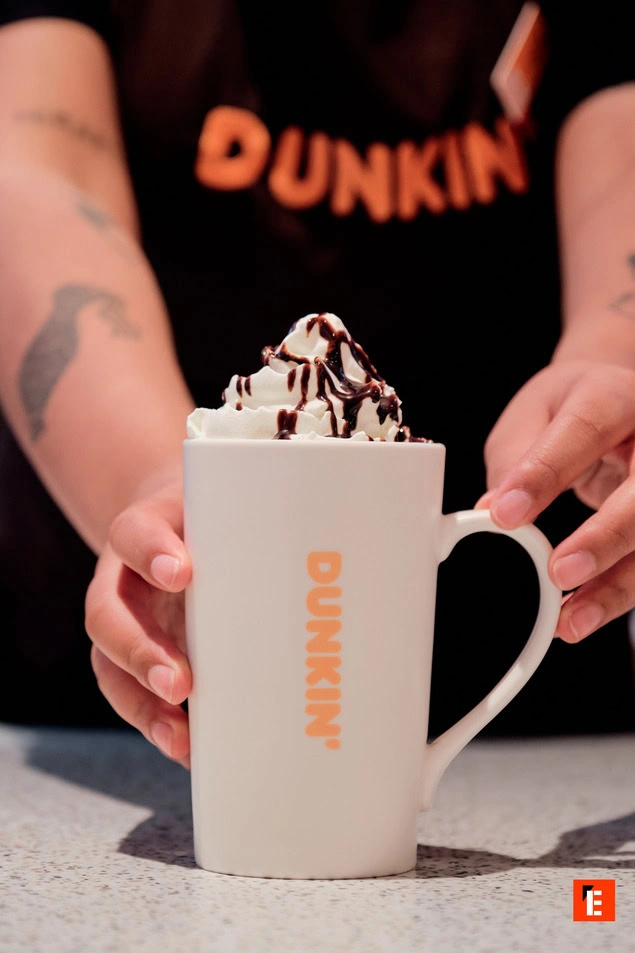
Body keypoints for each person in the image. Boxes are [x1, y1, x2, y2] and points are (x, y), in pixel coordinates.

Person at [0, 2, 634, 770]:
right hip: (136, 696)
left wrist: (610, 369)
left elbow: (620, 168)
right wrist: (163, 490)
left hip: (522, 679)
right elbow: (41, 178)